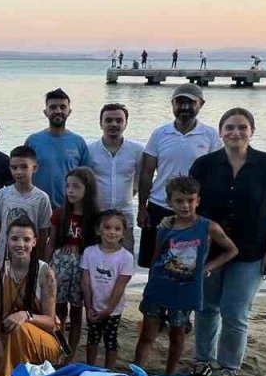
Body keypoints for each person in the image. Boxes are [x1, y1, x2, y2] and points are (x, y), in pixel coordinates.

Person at [188, 108, 266, 376]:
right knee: (206, 308)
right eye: (229, 127)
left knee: (235, 312)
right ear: (220, 132)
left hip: (251, 250)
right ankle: (203, 361)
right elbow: (191, 206)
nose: (235, 132)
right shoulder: (204, 165)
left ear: (251, 131)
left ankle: (228, 366)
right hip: (210, 250)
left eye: (242, 127)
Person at [133, 176, 236, 376]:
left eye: (190, 200)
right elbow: (156, 258)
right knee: (148, 333)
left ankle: (169, 375)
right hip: (159, 287)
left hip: (185, 291)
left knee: (177, 335)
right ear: (170, 202)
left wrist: (207, 267)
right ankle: (137, 372)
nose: (185, 205)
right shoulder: (165, 227)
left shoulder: (208, 227)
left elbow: (231, 250)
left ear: (198, 201)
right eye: (179, 201)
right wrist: (149, 286)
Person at [137, 84, 221, 268]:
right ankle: (153, 295)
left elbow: (216, 175)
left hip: (192, 208)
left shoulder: (210, 135)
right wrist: (142, 208)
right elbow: (146, 173)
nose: (184, 107)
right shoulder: (160, 134)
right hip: (159, 205)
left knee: (185, 262)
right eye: (180, 102)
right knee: (154, 261)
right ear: (172, 104)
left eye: (190, 102)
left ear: (201, 104)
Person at [0, 217, 63, 376]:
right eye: (14, 239)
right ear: (7, 240)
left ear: (35, 242)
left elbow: (51, 322)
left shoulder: (45, 272)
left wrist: (26, 316)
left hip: (42, 339)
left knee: (19, 328)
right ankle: (15, 367)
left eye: (26, 239)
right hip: (8, 337)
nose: (20, 244)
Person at [44, 167, 100, 354]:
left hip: (82, 266)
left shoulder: (95, 218)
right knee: (58, 310)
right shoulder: (60, 214)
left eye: (76, 186)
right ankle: (58, 348)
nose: (70, 190)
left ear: (88, 189)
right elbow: (51, 242)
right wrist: (44, 266)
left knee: (76, 312)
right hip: (60, 264)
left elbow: (101, 247)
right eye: (68, 186)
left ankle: (71, 352)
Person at [80, 211, 135, 369]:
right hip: (93, 307)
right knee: (92, 338)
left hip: (113, 309)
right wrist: (89, 306)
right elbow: (85, 281)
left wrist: (109, 308)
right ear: (99, 230)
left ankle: (108, 371)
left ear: (123, 232)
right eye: (107, 227)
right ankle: (89, 368)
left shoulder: (126, 257)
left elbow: (120, 285)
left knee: (110, 340)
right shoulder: (89, 252)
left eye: (117, 229)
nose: (112, 232)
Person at [87, 103, 143, 253]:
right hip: (97, 214)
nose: (114, 124)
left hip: (125, 214)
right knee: (95, 257)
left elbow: (140, 178)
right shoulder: (90, 150)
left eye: (119, 120)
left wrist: (131, 195)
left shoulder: (137, 150)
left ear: (126, 124)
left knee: (125, 257)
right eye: (109, 120)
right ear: (101, 123)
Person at [0, 145, 52, 269]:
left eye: (24, 167)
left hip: (29, 258)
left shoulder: (42, 198)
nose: (18, 172)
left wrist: (40, 262)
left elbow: (43, 234)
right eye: (14, 167)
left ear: (35, 168)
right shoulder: (3, 194)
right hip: (3, 259)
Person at [25, 88, 91, 209]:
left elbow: (87, 180)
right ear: (45, 111)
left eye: (62, 107)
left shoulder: (78, 142)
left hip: (68, 209)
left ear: (69, 111)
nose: (58, 111)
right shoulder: (33, 141)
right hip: (36, 207)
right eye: (53, 107)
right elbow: (23, 174)